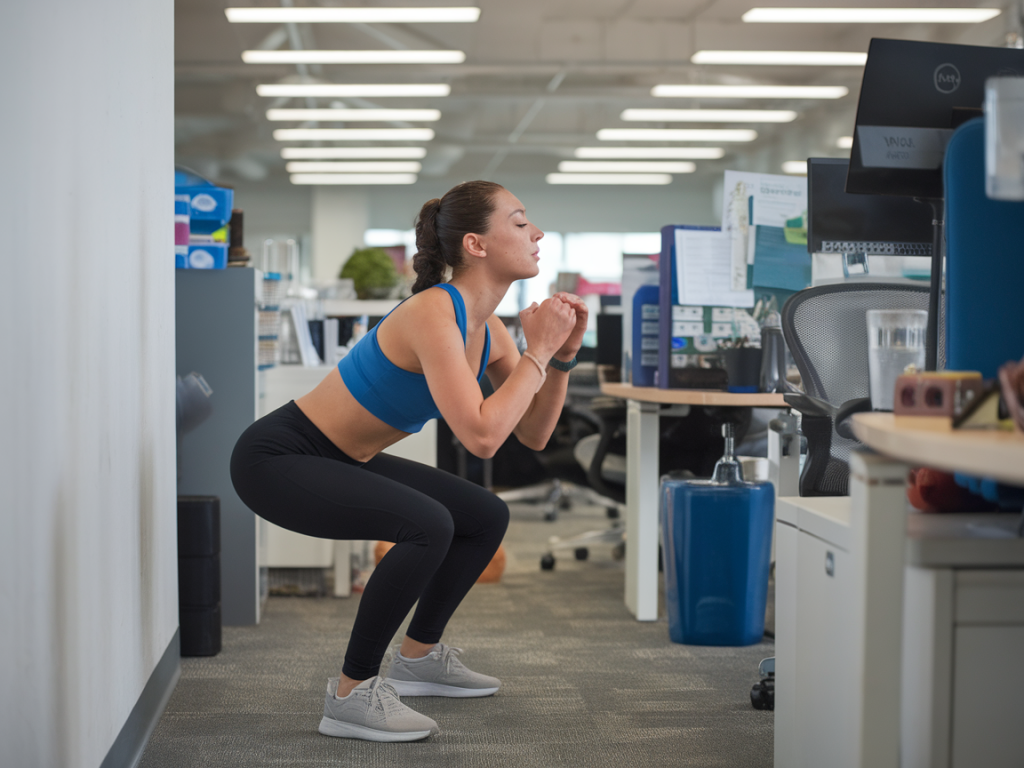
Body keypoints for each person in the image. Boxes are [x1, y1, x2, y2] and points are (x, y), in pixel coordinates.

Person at [230, 180, 588, 743]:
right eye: (520, 223)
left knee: (484, 515)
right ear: (476, 244)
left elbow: (534, 433)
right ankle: (350, 695)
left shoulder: (489, 329)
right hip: (278, 456)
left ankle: (419, 660)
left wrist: (561, 358)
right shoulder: (431, 314)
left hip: (344, 457)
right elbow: (482, 438)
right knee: (428, 524)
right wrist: (538, 352)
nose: (537, 232)